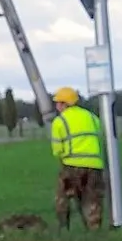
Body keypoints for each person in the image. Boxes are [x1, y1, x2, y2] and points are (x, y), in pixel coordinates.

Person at [50, 86, 105, 231]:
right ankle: (94, 230)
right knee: (92, 200)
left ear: (64, 104)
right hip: (95, 166)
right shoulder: (92, 117)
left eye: (58, 103)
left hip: (71, 166)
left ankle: (63, 228)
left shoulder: (59, 121)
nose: (56, 106)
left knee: (62, 198)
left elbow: (57, 150)